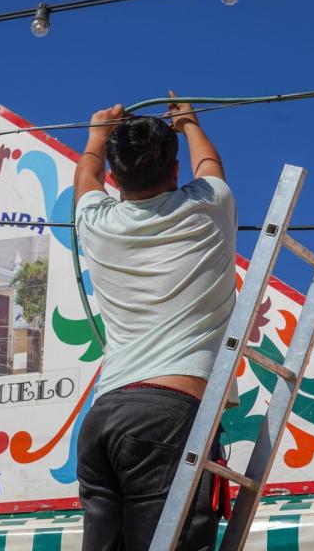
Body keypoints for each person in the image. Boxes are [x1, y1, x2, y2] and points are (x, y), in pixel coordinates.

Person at [74, 92, 237, 551]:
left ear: (114, 176)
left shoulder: (98, 222)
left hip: (104, 417)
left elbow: (85, 176)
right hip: (169, 413)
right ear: (175, 169)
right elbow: (212, 167)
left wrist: (96, 135)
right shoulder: (207, 208)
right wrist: (189, 122)